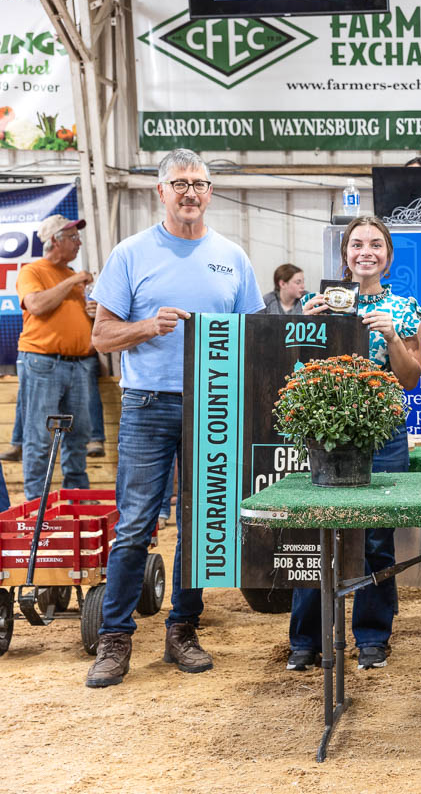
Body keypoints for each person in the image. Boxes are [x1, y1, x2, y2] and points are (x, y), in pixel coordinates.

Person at [85, 148, 265, 688]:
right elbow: (101, 336)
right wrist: (147, 326)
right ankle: (114, 639)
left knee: (201, 523)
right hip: (146, 404)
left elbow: (252, 336)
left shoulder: (232, 257)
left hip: (213, 406)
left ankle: (182, 629)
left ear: (211, 192)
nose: (190, 192)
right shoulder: (130, 254)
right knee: (136, 524)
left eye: (200, 183)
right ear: (160, 192)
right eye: (180, 183)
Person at [288, 215, 421, 672]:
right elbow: (291, 367)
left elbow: (409, 379)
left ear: (388, 255)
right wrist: (300, 326)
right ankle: (306, 639)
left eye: (376, 244)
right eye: (357, 244)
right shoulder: (316, 301)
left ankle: (372, 636)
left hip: (382, 434)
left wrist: (390, 335)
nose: (366, 251)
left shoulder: (405, 309)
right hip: (322, 432)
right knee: (314, 534)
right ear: (344, 254)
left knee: (376, 538)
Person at [15, 214, 96, 501]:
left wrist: (91, 313)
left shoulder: (68, 276)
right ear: (54, 241)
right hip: (43, 362)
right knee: (39, 437)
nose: (78, 242)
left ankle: (77, 497)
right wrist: (74, 279)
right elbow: (36, 305)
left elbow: (72, 314)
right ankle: (37, 501)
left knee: (78, 435)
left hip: (77, 365)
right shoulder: (32, 271)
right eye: (73, 237)